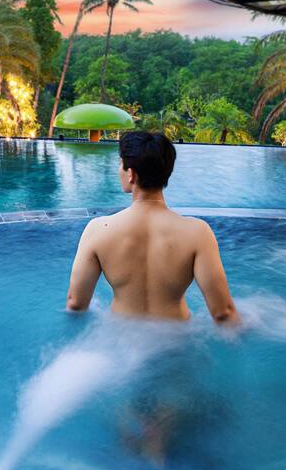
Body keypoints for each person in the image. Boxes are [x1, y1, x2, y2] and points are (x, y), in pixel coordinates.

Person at [65, 131, 240, 325]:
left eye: (121, 164)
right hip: (177, 337)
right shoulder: (198, 233)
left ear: (131, 174)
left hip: (120, 336)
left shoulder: (97, 230)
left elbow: (76, 304)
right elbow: (223, 313)